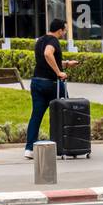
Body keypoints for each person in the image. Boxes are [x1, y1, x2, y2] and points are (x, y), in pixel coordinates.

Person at [25, 18, 77, 159]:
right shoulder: (53, 41)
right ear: (59, 30)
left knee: (36, 116)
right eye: (65, 30)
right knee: (64, 113)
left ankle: (29, 148)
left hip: (37, 82)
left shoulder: (40, 40)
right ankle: (67, 145)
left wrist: (65, 64)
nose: (65, 33)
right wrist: (59, 72)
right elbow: (48, 54)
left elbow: (46, 60)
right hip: (51, 84)